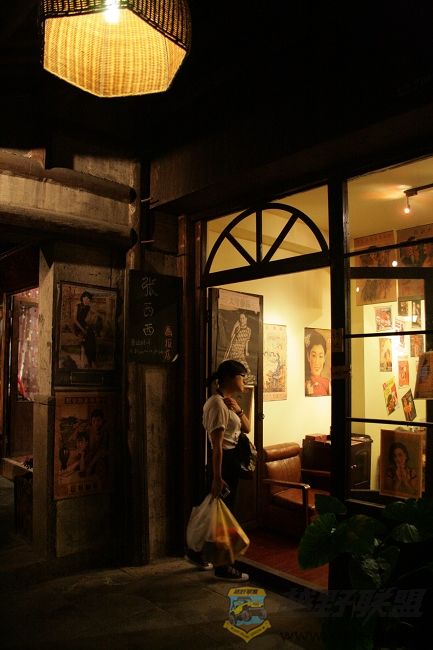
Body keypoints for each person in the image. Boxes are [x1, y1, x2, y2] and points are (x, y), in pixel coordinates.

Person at [185, 359, 251, 582]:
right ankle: (223, 567)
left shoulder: (227, 403)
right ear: (230, 378)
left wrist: (239, 410)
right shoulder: (216, 404)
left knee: (218, 512)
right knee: (225, 515)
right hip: (223, 463)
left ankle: (197, 552)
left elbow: (248, 428)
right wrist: (217, 476)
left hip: (229, 461)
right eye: (242, 377)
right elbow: (217, 445)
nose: (244, 381)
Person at [224, 313, 253, 382]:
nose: (241, 320)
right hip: (235, 348)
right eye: (240, 318)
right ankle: (246, 377)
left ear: (246, 319)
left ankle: (242, 378)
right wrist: (234, 327)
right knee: (242, 364)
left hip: (241, 349)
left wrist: (246, 351)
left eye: (243, 318)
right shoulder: (238, 328)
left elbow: (247, 341)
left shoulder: (249, 330)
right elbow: (232, 337)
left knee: (239, 365)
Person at [74, 291, 100, 368]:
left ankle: (92, 360)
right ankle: (90, 361)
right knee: (88, 337)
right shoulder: (77, 306)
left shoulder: (88, 307)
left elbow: (96, 314)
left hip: (85, 325)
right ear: (82, 298)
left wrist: (94, 317)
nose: (86, 300)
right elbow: (75, 320)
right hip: (78, 326)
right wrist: (82, 329)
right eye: (85, 298)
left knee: (92, 338)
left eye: (88, 299)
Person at [305, 330, 331, 396]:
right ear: (308, 356)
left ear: (324, 358)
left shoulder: (327, 383)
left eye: (321, 356)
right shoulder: (304, 383)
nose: (317, 362)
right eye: (314, 356)